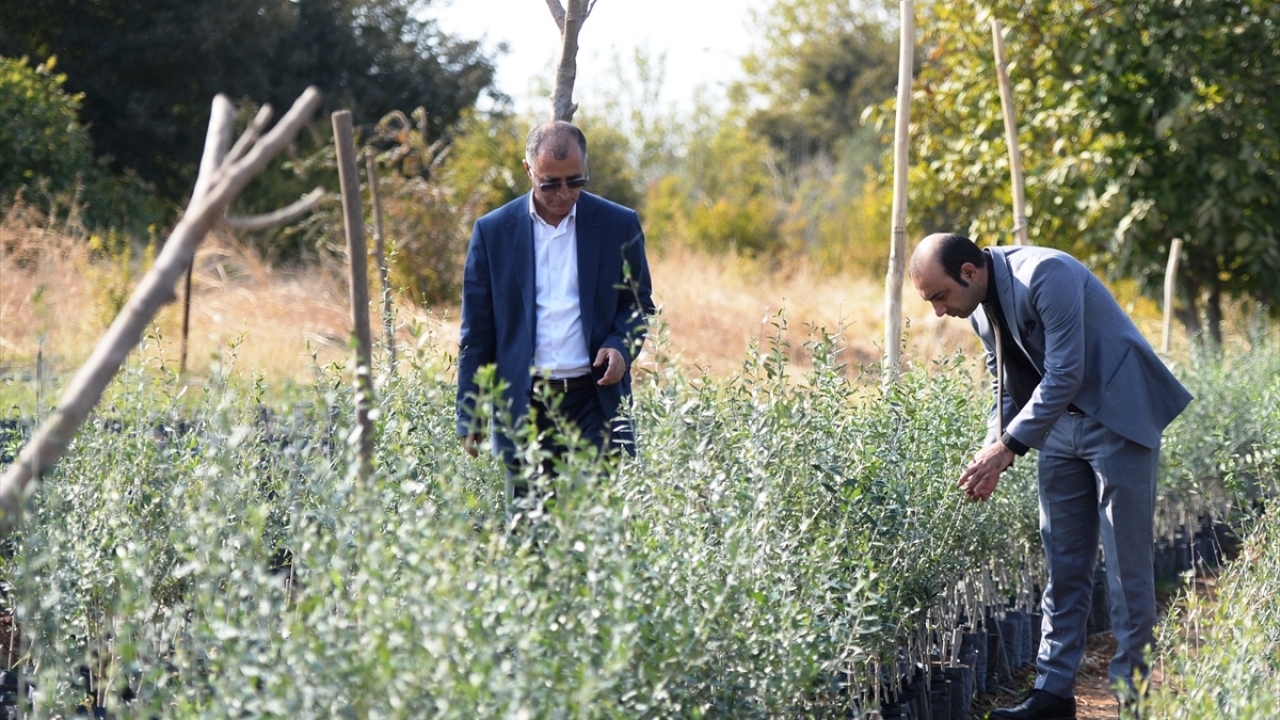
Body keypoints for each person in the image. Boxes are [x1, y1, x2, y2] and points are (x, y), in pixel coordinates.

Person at [909, 233, 1191, 720]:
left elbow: (1065, 372)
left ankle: (1134, 700)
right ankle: (1052, 695)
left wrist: (1008, 448)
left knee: (1126, 570)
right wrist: (992, 447)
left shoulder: (1045, 274)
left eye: (940, 296)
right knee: (1063, 563)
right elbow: (1003, 384)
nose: (938, 312)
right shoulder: (978, 309)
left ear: (969, 273)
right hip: (1059, 428)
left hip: (1117, 418)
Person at [456, 120, 655, 507]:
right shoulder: (493, 232)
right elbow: (477, 333)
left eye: (574, 181)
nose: (564, 193)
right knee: (529, 527)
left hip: (595, 402)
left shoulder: (619, 224)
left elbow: (637, 303)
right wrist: (471, 413)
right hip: (524, 405)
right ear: (529, 169)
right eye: (550, 183)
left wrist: (620, 346)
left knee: (600, 523)